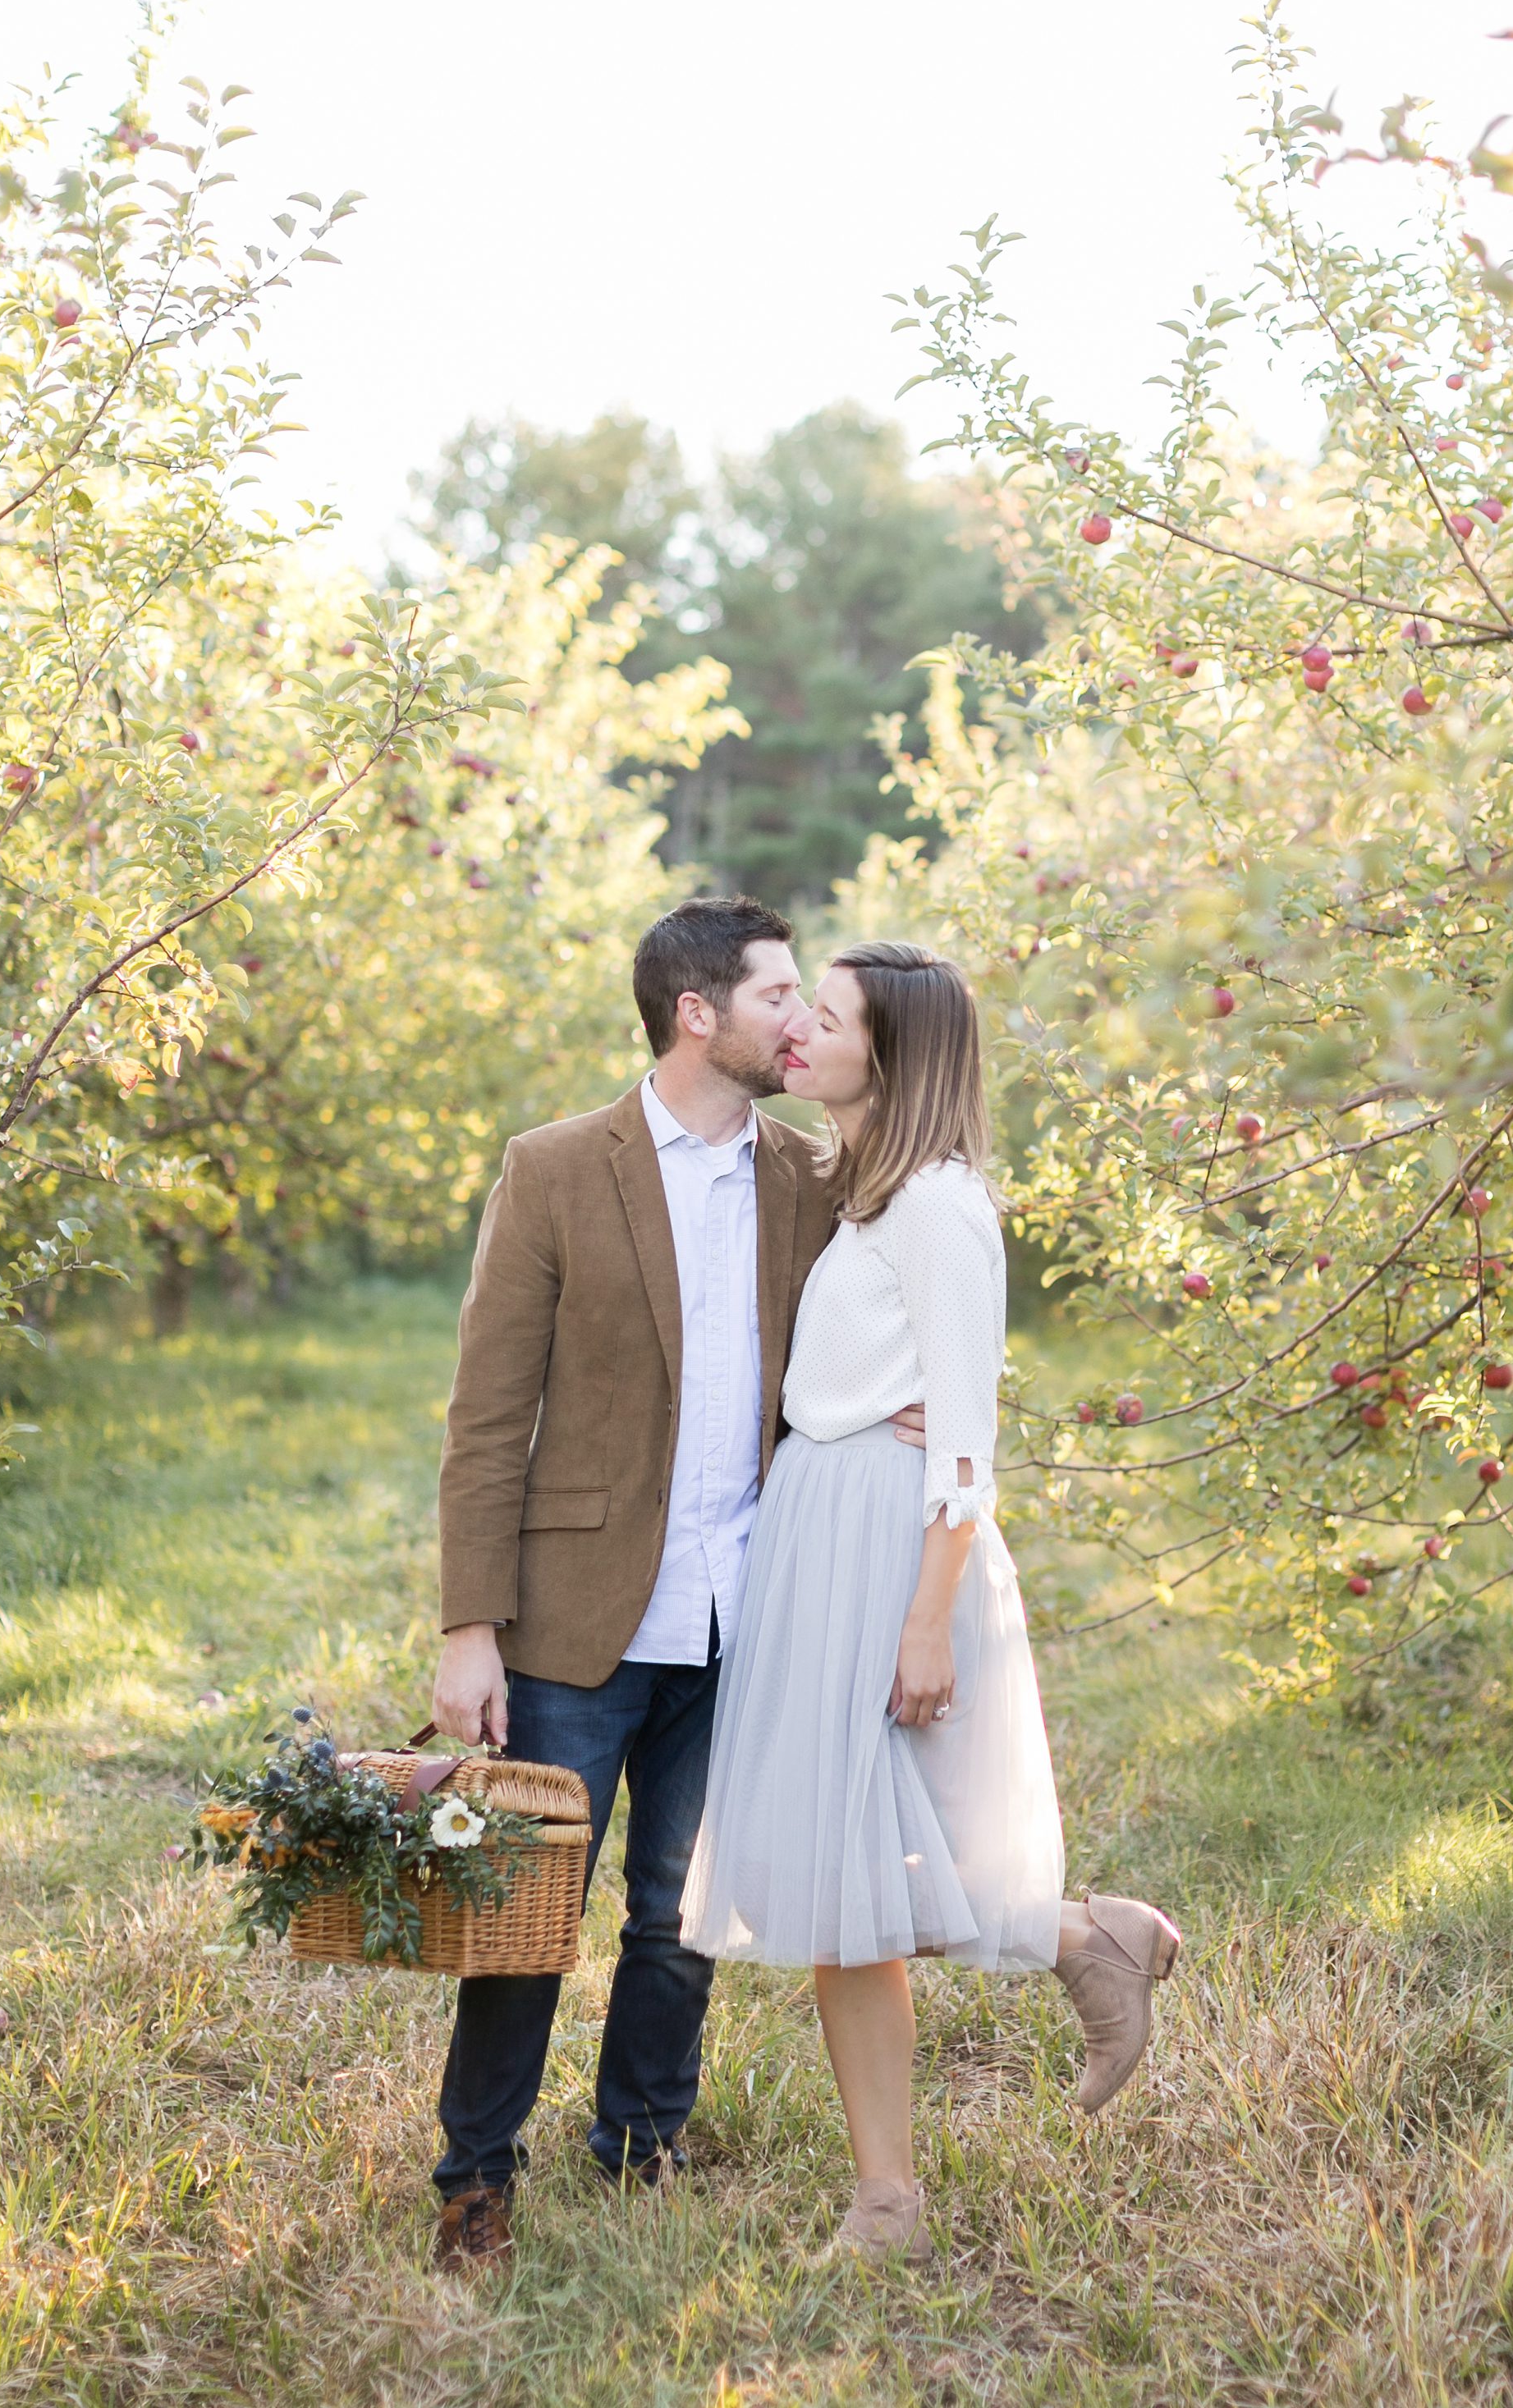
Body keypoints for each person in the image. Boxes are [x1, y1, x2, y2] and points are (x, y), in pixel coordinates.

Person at [425, 895, 924, 2278]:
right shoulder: (555, 1168)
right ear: (698, 1013)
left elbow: (879, 1327)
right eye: (779, 995)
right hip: (578, 1613)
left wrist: (921, 1412)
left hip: (749, 1608)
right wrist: (470, 1628)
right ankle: (476, 2174)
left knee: (682, 1911)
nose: (801, 1021)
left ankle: (643, 2146)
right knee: (529, 1914)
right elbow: (485, 1417)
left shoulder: (811, 1178)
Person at [681, 941, 1181, 2264]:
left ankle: (899, 2188)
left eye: (825, 1017)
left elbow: (966, 1440)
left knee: (860, 1873)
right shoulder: (861, 1191)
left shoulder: (945, 1208)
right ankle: (1077, 1956)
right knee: (842, 1879)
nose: (797, 1031)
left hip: (893, 1554)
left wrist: (922, 1618)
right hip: (822, 1529)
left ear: (888, 1057)